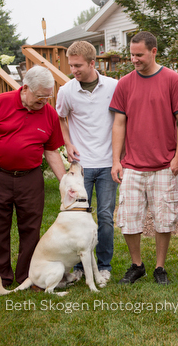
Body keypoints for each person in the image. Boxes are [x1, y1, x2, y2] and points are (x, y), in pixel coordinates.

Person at [0, 65, 66, 297]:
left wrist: (64, 182)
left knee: (31, 229)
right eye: (40, 96)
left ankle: (27, 277)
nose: (44, 101)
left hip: (30, 178)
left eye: (48, 97)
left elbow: (51, 151)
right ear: (25, 89)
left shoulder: (49, 113)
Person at [110, 31, 178, 285]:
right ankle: (137, 265)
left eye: (139, 55)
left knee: (164, 220)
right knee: (129, 219)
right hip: (132, 164)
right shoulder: (124, 83)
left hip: (164, 165)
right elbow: (119, 123)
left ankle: (159, 267)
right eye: (131, 54)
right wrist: (116, 160)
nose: (134, 59)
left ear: (154, 51)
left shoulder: (172, 80)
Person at [56, 40, 119, 283]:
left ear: (93, 63)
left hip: (106, 163)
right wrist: (67, 143)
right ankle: (80, 266)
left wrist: (119, 157)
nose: (74, 70)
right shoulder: (66, 90)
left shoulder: (114, 86)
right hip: (80, 166)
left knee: (104, 216)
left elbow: (122, 120)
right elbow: (62, 117)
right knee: (76, 216)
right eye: (71, 65)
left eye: (78, 65)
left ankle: (103, 265)